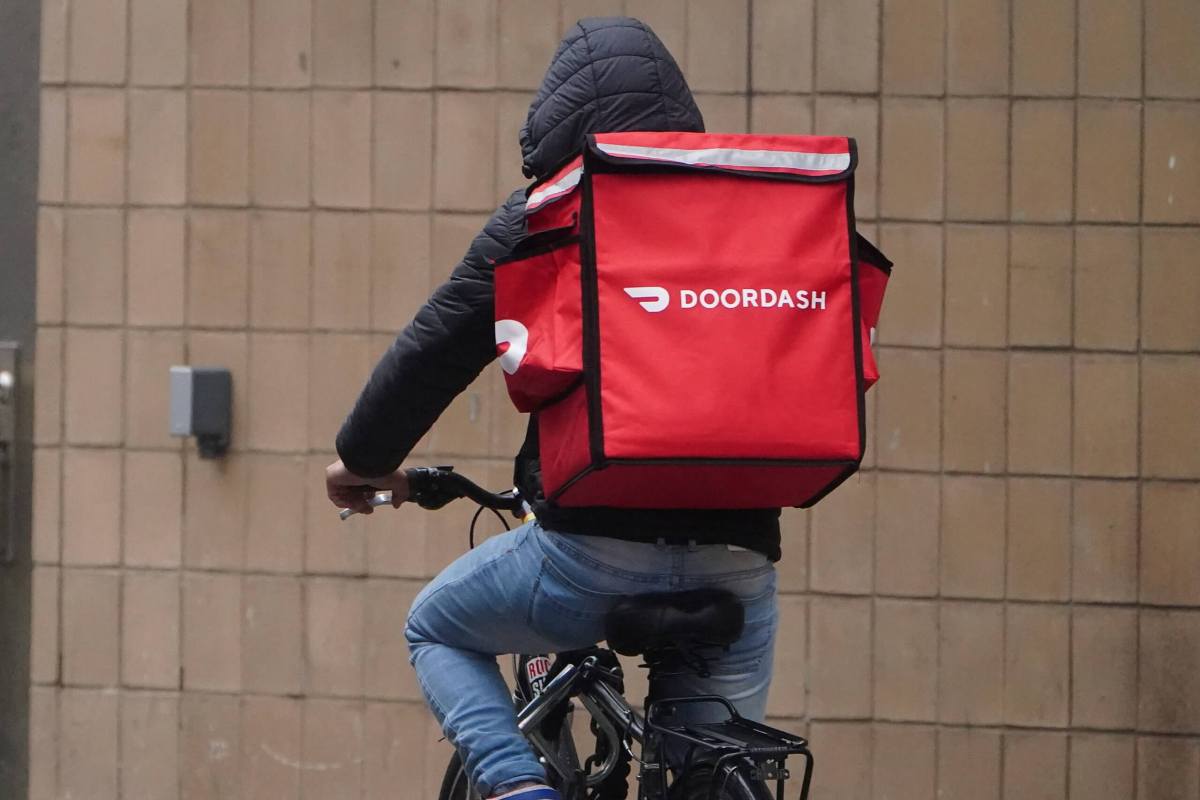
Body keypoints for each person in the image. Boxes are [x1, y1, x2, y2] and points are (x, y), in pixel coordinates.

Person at [326, 18, 783, 800]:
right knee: (702, 771)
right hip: (739, 559)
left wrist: (363, 460)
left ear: (554, 123)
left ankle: (516, 788)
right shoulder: (758, 210)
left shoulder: (547, 214)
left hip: (591, 552)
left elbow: (430, 354)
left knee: (434, 625)